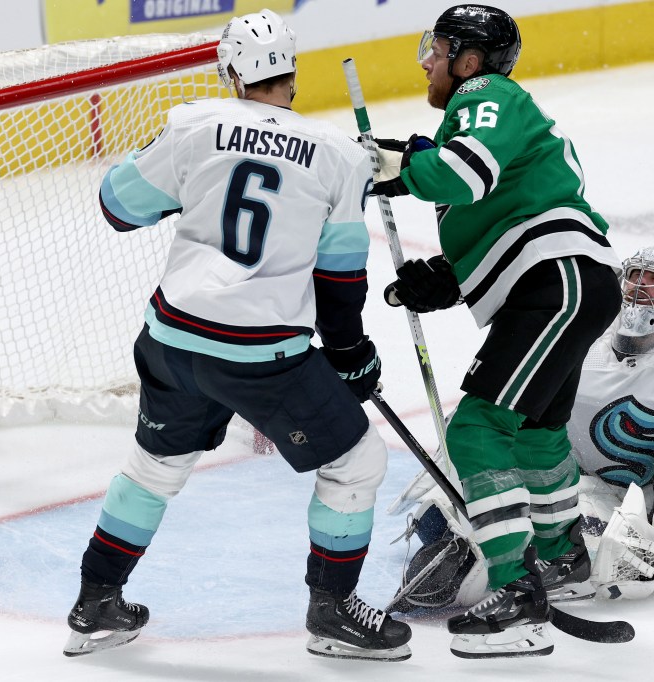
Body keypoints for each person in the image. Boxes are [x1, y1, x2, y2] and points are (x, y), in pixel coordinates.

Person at [61, 9, 413, 663]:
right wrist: (350, 356)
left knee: (155, 467)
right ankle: (332, 611)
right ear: (292, 74)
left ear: (230, 72)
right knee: (357, 464)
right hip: (261, 356)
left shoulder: (194, 125)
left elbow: (117, 207)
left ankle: (96, 604)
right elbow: (340, 278)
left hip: (170, 340)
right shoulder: (336, 153)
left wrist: (182, 189)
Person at [370, 4, 622, 659]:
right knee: (535, 434)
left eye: (439, 47)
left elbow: (462, 172)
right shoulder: (488, 117)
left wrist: (394, 166)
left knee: (477, 430)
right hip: (564, 281)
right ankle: (562, 556)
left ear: (471, 62)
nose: (426, 59)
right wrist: (444, 277)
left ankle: (516, 595)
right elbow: (503, 211)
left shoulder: (485, 95)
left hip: (557, 279)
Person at [390, 244, 654, 610]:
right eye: (634, 277)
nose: (639, 288)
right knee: (439, 510)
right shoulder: (581, 329)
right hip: (551, 472)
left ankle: (494, 565)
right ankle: (476, 553)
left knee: (622, 550)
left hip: (632, 493)